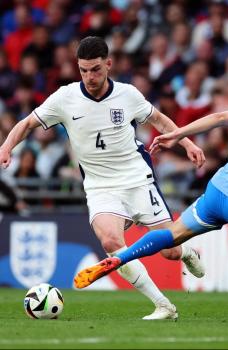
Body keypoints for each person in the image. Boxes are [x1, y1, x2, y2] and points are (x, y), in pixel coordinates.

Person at [0, 36, 206, 320]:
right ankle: (163, 306)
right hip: (99, 186)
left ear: (108, 64)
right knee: (111, 242)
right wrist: (7, 146)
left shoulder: (128, 95)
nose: (89, 77)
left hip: (137, 179)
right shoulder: (65, 97)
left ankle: (186, 252)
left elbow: (158, 119)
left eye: (95, 69)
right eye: (83, 70)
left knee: (169, 251)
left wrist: (188, 143)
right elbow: (27, 123)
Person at [75, 104, 228, 322]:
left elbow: (219, 117)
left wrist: (178, 134)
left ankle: (120, 259)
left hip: (217, 190)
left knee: (173, 234)